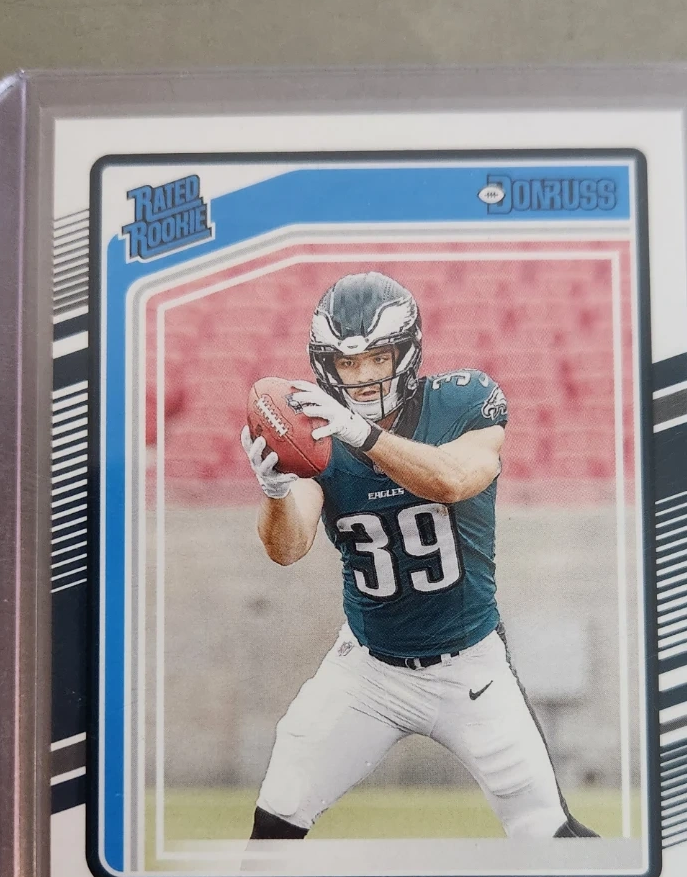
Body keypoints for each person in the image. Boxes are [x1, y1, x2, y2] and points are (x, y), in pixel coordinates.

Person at [239, 271, 596, 841]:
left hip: (470, 666)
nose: (362, 377)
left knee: (545, 834)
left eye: (377, 358)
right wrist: (276, 491)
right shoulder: (318, 433)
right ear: (326, 366)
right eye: (347, 363)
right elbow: (288, 548)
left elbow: (454, 480)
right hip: (367, 669)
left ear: (406, 354)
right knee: (276, 818)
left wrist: (363, 436)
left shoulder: (462, 401)